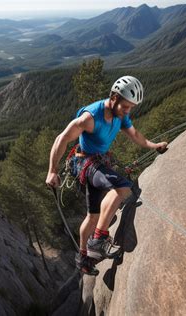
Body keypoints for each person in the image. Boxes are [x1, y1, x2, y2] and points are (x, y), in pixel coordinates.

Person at [45, 76, 167, 274]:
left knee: (93, 216)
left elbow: (135, 134)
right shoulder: (90, 117)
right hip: (85, 163)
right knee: (122, 187)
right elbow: (62, 138)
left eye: (131, 107)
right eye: (125, 106)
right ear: (113, 97)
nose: (127, 111)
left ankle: (82, 257)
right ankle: (99, 240)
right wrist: (52, 170)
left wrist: (154, 146)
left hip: (98, 162)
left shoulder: (121, 115)